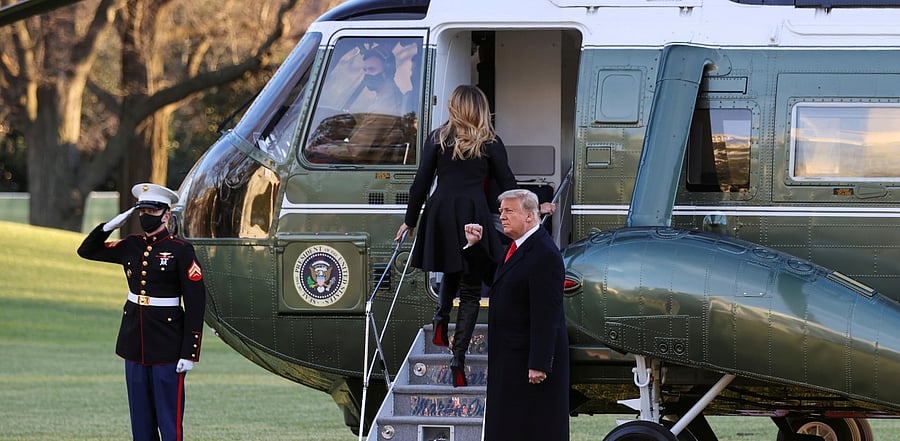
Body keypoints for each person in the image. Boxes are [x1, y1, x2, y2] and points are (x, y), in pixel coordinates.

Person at [395, 85, 517, 387]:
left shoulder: (437, 139)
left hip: (441, 212)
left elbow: (420, 182)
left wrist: (409, 221)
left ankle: (440, 319)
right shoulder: (490, 142)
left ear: (454, 108)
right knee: (472, 290)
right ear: (480, 108)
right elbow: (508, 183)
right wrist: (526, 213)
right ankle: (457, 361)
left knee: (452, 266)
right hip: (472, 212)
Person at [77, 183, 206, 441]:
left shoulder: (181, 250)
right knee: (141, 424)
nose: (145, 216)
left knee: (169, 425)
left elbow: (195, 302)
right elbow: (86, 251)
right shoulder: (131, 245)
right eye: (141, 210)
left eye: (152, 210)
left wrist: (189, 352)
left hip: (168, 346)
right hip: (134, 344)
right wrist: (108, 226)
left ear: (166, 215)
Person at [463, 189, 569, 440]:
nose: (502, 217)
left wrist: (539, 363)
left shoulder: (544, 254)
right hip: (512, 358)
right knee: (510, 425)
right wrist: (475, 247)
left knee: (532, 426)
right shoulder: (520, 247)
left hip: (529, 363)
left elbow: (547, 312)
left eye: (509, 211)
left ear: (530, 216)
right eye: (501, 211)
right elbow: (497, 279)